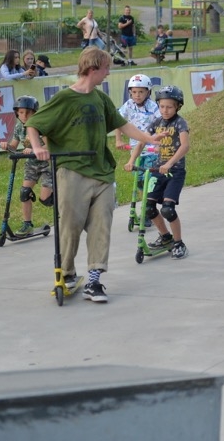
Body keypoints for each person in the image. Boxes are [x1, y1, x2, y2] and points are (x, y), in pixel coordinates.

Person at [26, 47, 161, 303]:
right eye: (106, 68)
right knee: (70, 225)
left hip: (102, 172)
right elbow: (34, 124)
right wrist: (37, 147)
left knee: (102, 225)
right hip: (72, 169)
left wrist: (149, 137)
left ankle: (94, 279)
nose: (109, 72)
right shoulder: (65, 98)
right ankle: (66, 272)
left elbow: (123, 125)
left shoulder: (100, 99)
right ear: (93, 68)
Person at [124, 85, 190, 259]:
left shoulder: (180, 123)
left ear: (177, 106)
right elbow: (141, 142)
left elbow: (184, 146)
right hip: (158, 171)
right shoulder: (156, 123)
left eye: (169, 106)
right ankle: (165, 237)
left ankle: (178, 242)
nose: (165, 110)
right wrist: (131, 161)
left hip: (174, 172)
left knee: (168, 209)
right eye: (162, 106)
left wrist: (169, 163)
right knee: (148, 208)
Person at [1, 96, 54, 236]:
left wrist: (35, 149)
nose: (24, 116)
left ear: (34, 112)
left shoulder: (40, 125)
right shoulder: (19, 127)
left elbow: (49, 145)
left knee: (46, 199)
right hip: (31, 165)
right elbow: (13, 146)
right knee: (25, 193)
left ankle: (66, 205)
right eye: (21, 112)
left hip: (46, 165)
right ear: (17, 113)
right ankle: (27, 224)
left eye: (28, 112)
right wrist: (7, 146)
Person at [115, 74, 160, 151]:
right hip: (134, 148)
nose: (137, 95)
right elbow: (117, 120)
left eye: (141, 92)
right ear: (130, 92)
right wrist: (118, 140)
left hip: (151, 149)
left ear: (148, 92)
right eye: (134, 92)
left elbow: (164, 123)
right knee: (133, 163)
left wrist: (159, 144)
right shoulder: (129, 104)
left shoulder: (153, 106)